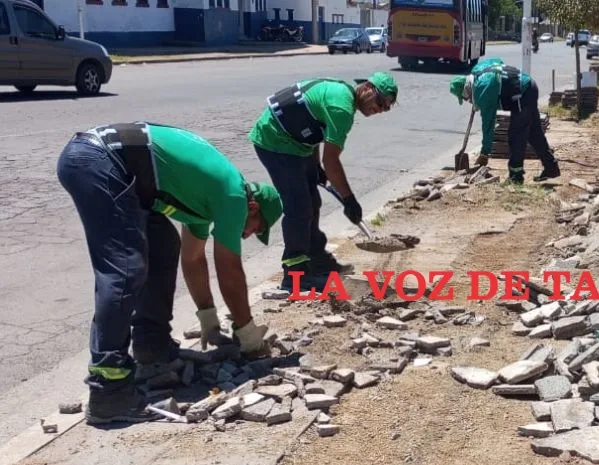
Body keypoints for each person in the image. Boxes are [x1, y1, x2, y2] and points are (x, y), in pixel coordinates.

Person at [56, 122, 284, 425]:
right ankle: (108, 389)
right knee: (125, 267)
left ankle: (152, 347)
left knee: (163, 246)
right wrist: (247, 333)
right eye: (256, 229)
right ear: (253, 207)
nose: (249, 235)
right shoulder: (233, 196)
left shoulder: (208, 200)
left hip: (113, 166)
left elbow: (192, 258)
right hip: (98, 160)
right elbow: (229, 269)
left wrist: (208, 318)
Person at [249, 71, 399, 292]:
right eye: (379, 102)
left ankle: (316, 260)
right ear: (367, 87)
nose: (379, 110)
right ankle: (295, 277)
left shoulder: (341, 95)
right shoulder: (342, 108)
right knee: (299, 208)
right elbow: (333, 160)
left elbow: (314, 126)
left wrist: (315, 164)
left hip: (296, 143)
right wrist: (349, 199)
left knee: (313, 202)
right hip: (275, 141)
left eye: (385, 108)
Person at [449, 58, 560, 184]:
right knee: (534, 134)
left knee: (516, 135)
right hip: (529, 85)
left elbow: (488, 125)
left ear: (467, 90)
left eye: (465, 98)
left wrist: (485, 153)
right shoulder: (478, 70)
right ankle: (551, 168)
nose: (467, 101)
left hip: (521, 94)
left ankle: (515, 177)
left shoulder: (482, 91)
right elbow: (497, 60)